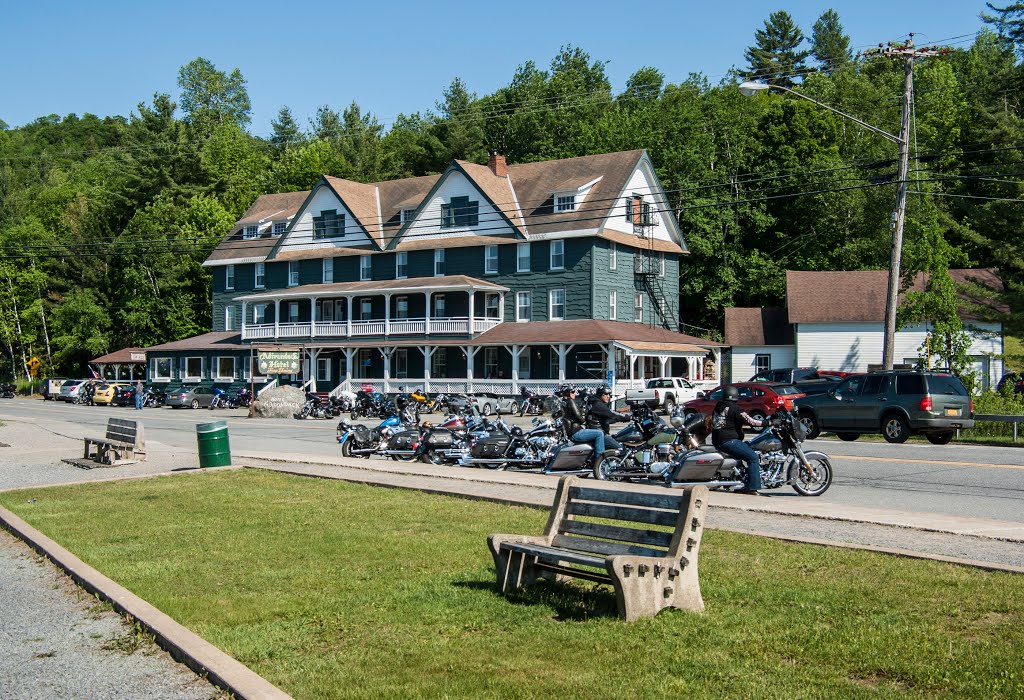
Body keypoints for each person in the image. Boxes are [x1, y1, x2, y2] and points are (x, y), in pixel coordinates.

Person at [711, 385, 767, 495]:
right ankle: (752, 487)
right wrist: (769, 422)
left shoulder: (718, 407)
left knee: (749, 448)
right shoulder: (735, 409)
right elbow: (752, 422)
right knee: (753, 458)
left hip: (718, 441)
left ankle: (744, 477)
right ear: (736, 397)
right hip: (729, 441)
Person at [559, 385, 607, 454]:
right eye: (572, 392)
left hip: (569, 433)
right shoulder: (571, 401)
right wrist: (584, 420)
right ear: (567, 393)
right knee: (599, 433)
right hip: (576, 432)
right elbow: (579, 416)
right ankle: (599, 459)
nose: (575, 393)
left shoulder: (562, 403)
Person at [585, 386, 630, 455]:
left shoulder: (594, 402)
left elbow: (608, 418)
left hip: (597, 430)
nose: (608, 396)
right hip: (600, 432)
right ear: (600, 394)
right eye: (606, 394)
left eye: (609, 394)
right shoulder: (598, 405)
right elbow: (612, 414)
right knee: (620, 450)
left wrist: (619, 418)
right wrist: (628, 417)